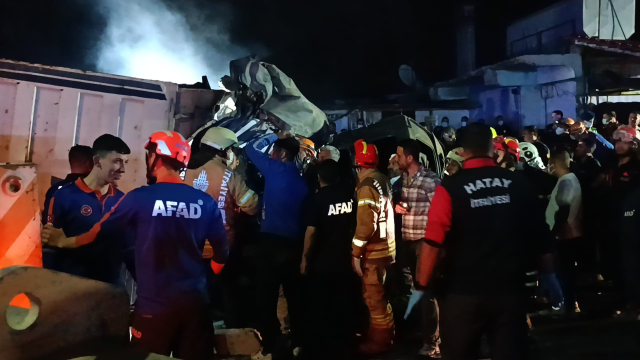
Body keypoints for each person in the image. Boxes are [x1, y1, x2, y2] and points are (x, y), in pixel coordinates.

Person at [42, 131, 229, 360]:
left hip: (153, 307)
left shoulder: (138, 198)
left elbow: (98, 233)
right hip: (196, 305)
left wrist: (63, 241)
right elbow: (222, 253)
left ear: (155, 158)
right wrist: (202, 282)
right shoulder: (205, 202)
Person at [417, 123, 553, 360]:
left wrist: (422, 283)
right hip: (509, 290)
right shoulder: (519, 184)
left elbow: (433, 243)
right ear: (491, 147)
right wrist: (549, 278)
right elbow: (541, 236)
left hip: (463, 294)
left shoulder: (451, 188)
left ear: (461, 151)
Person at [184, 127, 259, 328]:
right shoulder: (228, 175)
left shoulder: (184, 172)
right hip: (221, 245)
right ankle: (231, 330)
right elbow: (251, 207)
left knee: (195, 290)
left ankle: (198, 327)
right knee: (229, 292)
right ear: (222, 149)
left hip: (191, 244)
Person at [245, 132, 309, 356]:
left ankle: (269, 344)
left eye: (274, 151)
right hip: (295, 244)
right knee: (295, 295)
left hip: (270, 242)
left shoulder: (274, 170)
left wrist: (274, 135)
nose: (271, 154)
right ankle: (298, 342)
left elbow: (251, 148)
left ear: (281, 154)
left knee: (266, 295)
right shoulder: (302, 181)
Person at [42, 135, 130, 284]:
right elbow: (49, 242)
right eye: (117, 161)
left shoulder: (123, 200)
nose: (123, 169)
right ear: (97, 161)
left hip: (110, 289)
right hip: (72, 287)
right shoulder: (63, 195)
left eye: (125, 162)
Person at [300, 159, 358, 359]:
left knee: (322, 305)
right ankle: (346, 343)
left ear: (319, 178)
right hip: (347, 258)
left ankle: (325, 347)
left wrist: (305, 259)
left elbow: (311, 232)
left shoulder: (317, 200)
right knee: (345, 303)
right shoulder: (351, 195)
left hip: (323, 261)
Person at [393, 139, 441, 358]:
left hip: (424, 242)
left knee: (426, 291)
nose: (396, 159)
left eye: (399, 155)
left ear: (410, 158)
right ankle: (424, 335)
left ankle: (433, 342)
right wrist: (398, 207)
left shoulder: (431, 180)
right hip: (408, 241)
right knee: (415, 290)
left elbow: (441, 211)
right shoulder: (403, 179)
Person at [351, 139, 396, 355]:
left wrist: (356, 252)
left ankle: (380, 341)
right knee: (380, 296)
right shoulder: (382, 179)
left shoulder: (366, 185)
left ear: (357, 161)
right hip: (386, 249)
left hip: (373, 252)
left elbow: (366, 225)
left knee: (374, 298)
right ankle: (383, 333)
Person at [547, 150, 583, 316]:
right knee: (566, 272)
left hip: (565, 235)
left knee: (564, 273)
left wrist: (554, 232)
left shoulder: (566, 182)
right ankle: (569, 304)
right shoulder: (569, 180)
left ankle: (568, 305)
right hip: (568, 234)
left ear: (554, 165)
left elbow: (563, 208)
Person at [42, 145, 94, 225]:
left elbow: (47, 221)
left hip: (54, 236)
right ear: (88, 163)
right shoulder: (95, 191)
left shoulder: (54, 190)